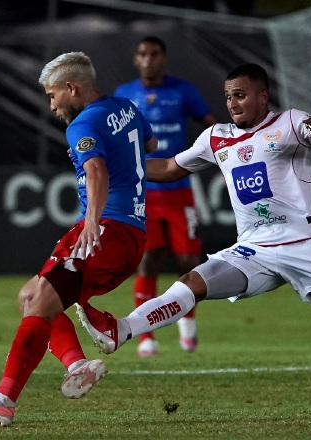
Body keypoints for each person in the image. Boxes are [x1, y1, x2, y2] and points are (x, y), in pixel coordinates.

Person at [77, 63, 311, 416]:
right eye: (228, 96)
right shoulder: (216, 138)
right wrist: (113, 162)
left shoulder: (291, 124)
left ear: (263, 96)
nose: (232, 102)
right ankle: (121, 330)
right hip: (253, 249)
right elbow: (166, 168)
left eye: (241, 95)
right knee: (193, 282)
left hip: (303, 244)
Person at [0, 52, 157, 426]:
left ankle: (3, 400)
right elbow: (151, 146)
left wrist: (92, 221)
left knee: (40, 301)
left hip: (105, 229)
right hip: (132, 235)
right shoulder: (126, 108)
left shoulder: (82, 124)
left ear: (71, 88)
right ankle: (78, 364)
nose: (51, 104)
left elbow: (96, 170)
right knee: (31, 296)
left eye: (51, 95)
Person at [114, 36, 217, 357]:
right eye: (143, 54)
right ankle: (146, 337)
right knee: (148, 261)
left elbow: (210, 124)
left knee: (188, 261)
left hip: (179, 192)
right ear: (136, 59)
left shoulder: (183, 91)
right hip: (143, 196)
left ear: (164, 58)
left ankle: (187, 329)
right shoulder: (124, 95)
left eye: (154, 54)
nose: (149, 59)